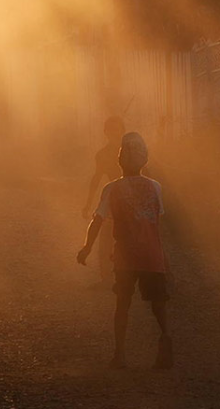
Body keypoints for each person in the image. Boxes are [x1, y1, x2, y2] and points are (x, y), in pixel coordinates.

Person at [77, 132, 173, 369]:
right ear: (145, 161)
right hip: (152, 255)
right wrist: (165, 258)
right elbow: (157, 224)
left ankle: (119, 354)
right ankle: (166, 339)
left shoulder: (112, 189)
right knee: (158, 304)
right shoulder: (155, 188)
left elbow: (97, 221)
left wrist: (87, 248)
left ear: (119, 161)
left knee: (122, 304)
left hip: (125, 257)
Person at [81, 116, 126, 286]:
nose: (115, 133)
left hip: (133, 197)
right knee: (106, 238)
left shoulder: (131, 150)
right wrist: (88, 203)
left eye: (118, 129)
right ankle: (105, 277)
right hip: (114, 198)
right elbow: (96, 178)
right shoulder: (103, 155)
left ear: (123, 130)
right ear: (106, 132)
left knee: (139, 237)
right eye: (111, 129)